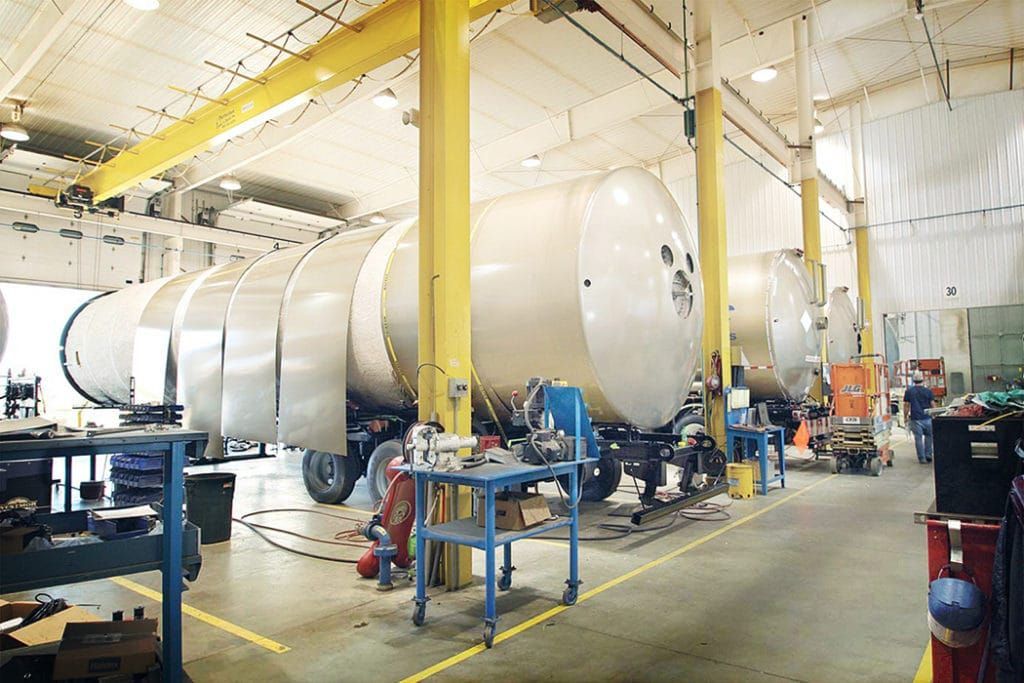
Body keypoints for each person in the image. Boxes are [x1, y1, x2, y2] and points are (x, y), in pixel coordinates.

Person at [904, 370, 935, 463]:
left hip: (916, 418)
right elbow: (933, 404)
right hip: (927, 418)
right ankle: (928, 454)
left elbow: (906, 405)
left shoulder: (909, 391)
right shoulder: (928, 391)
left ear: (913, 381)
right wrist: (935, 415)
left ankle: (922, 458)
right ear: (923, 380)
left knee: (918, 438)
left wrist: (905, 417)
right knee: (929, 436)